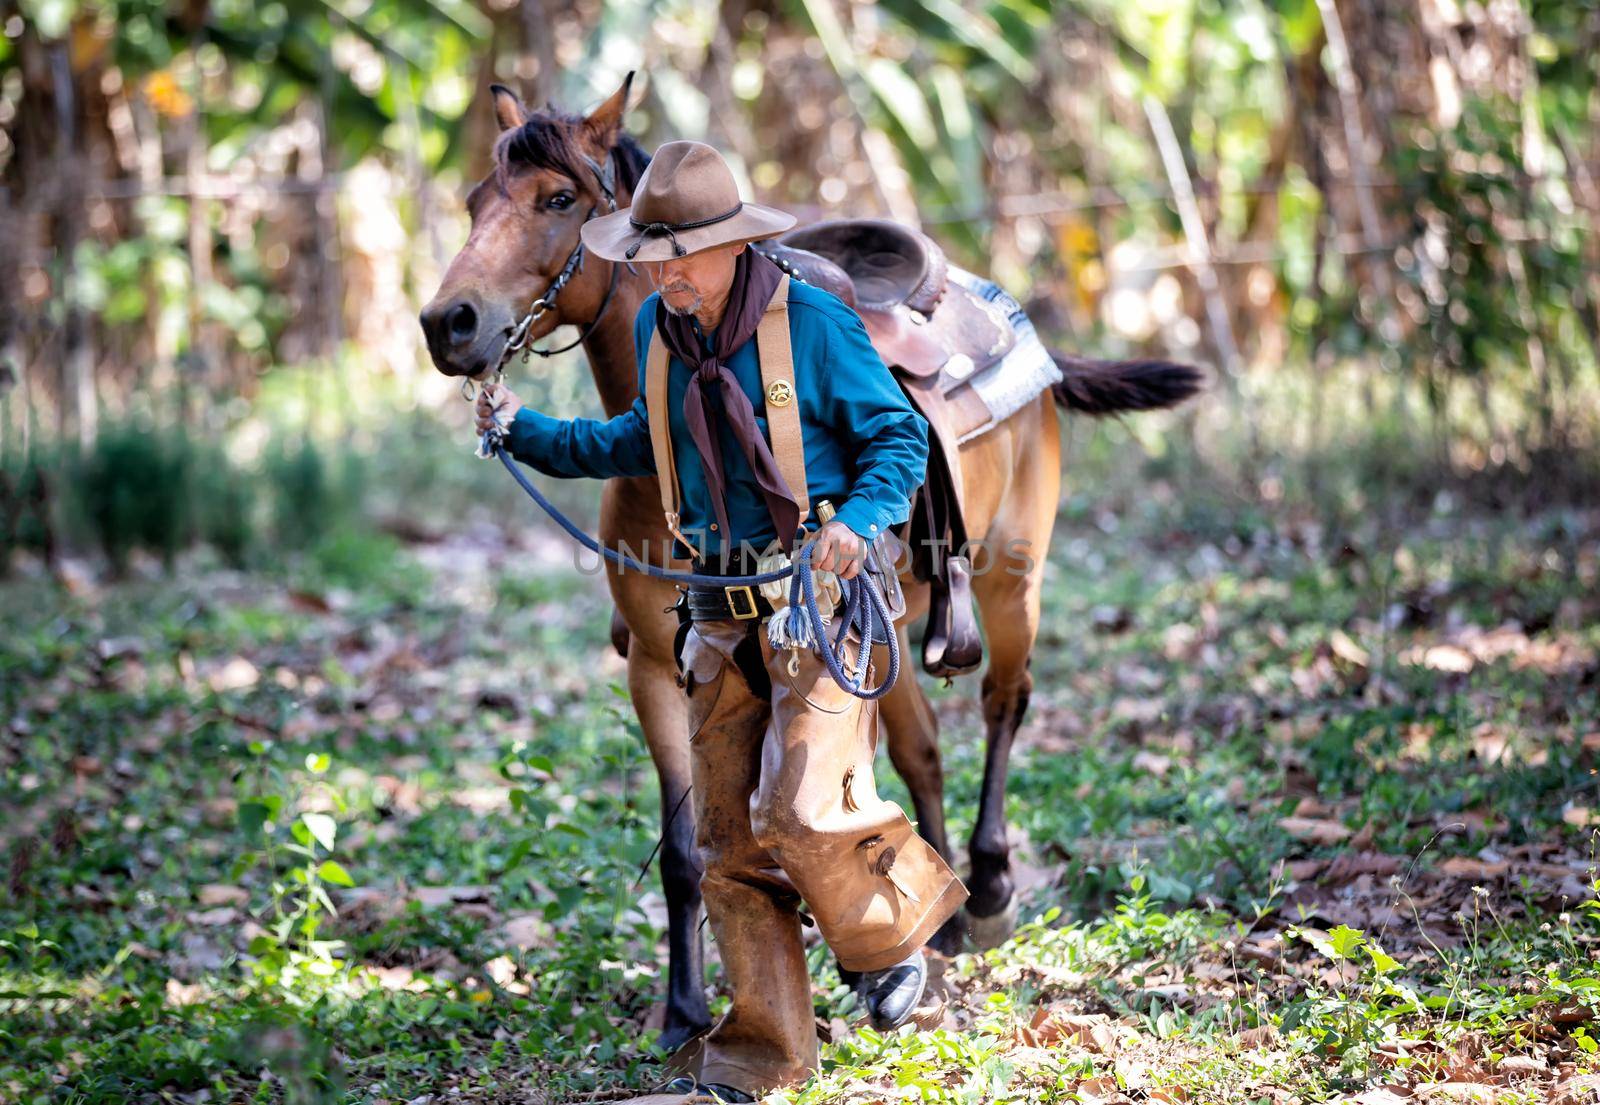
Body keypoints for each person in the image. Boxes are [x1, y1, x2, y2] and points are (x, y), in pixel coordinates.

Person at [474, 140, 966, 1101]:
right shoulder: (665, 326)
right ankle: (760, 1056)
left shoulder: (811, 324)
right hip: (717, 616)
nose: (661, 274)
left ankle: (892, 934)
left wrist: (861, 524)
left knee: (800, 808)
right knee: (726, 845)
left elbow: (898, 436)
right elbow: (634, 442)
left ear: (732, 247)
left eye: (679, 256)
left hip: (818, 607)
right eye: (649, 256)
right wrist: (523, 430)